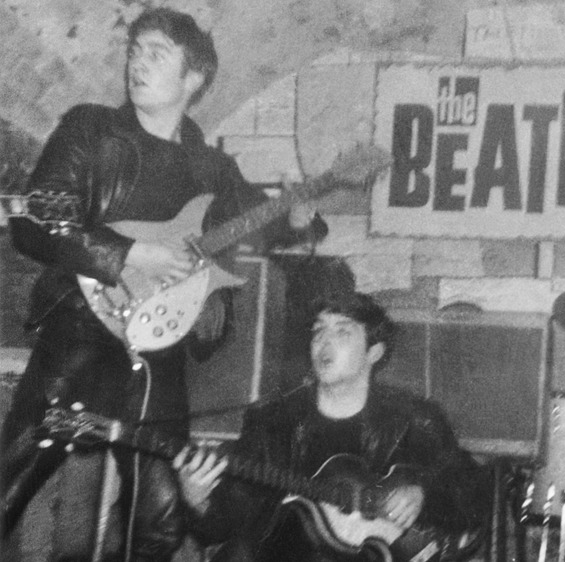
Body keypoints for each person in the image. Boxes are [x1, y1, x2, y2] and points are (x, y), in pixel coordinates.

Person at [1, 7, 326, 560]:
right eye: (135, 50)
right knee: (13, 480)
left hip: (159, 352)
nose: (137, 62)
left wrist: (300, 219)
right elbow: (35, 221)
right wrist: (131, 254)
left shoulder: (211, 170)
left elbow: (256, 226)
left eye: (156, 53)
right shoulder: (91, 128)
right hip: (81, 334)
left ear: (193, 77)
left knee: (160, 517)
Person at [173, 291, 491, 562]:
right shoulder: (273, 421)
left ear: (374, 352)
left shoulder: (413, 418)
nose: (325, 341)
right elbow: (228, 525)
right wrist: (196, 499)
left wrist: (423, 493)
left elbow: (473, 493)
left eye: (342, 332)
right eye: (318, 330)